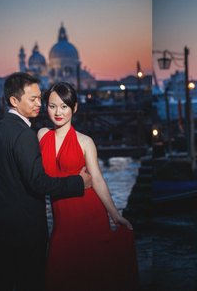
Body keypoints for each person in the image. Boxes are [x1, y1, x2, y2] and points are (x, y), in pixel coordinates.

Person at [0, 72, 92, 291]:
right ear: (14, 101)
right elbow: (39, 183)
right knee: (30, 282)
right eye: (32, 99)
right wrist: (78, 183)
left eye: (39, 98)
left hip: (3, 222)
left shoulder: (0, 128)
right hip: (25, 227)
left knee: (2, 279)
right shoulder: (25, 134)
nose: (39, 104)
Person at [38, 82, 139, 291]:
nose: (58, 112)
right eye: (52, 105)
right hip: (61, 218)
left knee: (90, 276)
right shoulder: (41, 135)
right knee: (58, 274)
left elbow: (98, 179)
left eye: (64, 106)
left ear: (74, 108)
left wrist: (115, 214)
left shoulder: (85, 142)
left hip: (88, 212)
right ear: (46, 107)